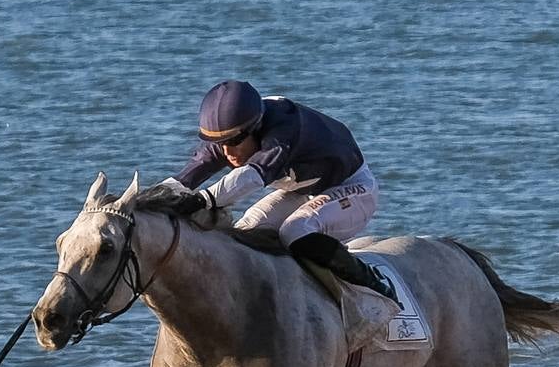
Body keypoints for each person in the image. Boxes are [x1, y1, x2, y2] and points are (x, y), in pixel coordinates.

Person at [170, 80, 398, 303]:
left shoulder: (283, 128)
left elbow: (253, 175)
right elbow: (184, 179)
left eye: (236, 140)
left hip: (353, 188)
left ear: (255, 127)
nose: (228, 152)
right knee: (245, 231)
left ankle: (375, 287)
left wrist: (203, 200)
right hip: (304, 191)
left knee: (296, 230)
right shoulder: (235, 129)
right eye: (221, 143)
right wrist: (148, 203)